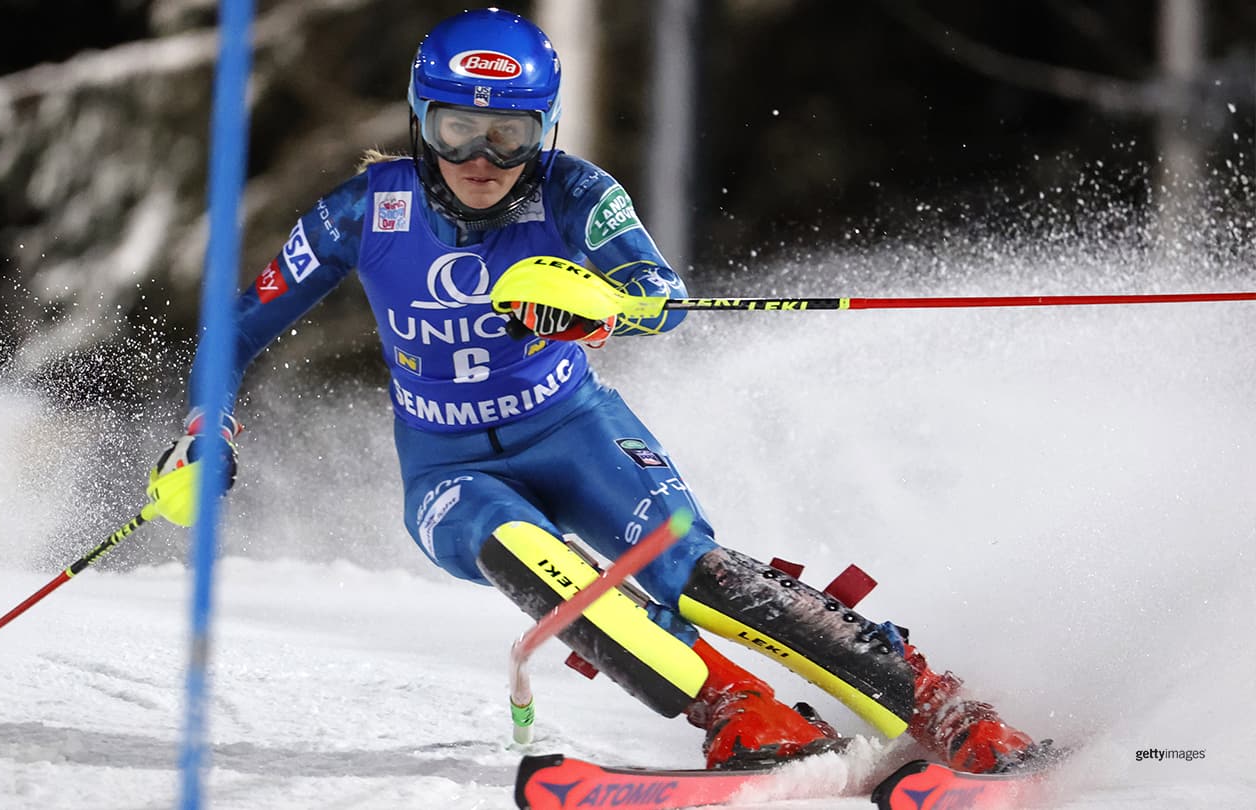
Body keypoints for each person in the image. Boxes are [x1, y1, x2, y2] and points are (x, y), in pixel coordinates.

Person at [147, 7, 1051, 773]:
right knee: (520, 549)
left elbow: (663, 299)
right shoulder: (364, 209)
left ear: (545, 128)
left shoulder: (576, 192)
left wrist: (600, 307)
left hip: (574, 431)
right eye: (458, 128)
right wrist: (206, 427)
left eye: (512, 133)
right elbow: (238, 329)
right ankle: (736, 706)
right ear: (421, 119)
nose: (482, 158)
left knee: (688, 571)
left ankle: (932, 702)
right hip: (448, 465)